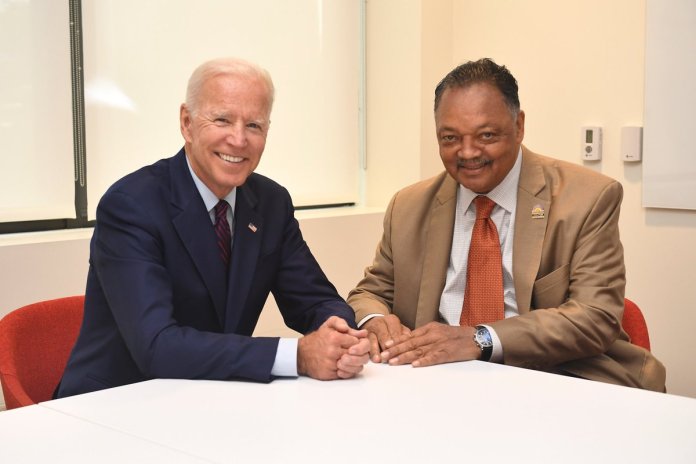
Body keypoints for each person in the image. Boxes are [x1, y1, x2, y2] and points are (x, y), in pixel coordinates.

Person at [56, 57, 369, 398]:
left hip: (214, 398)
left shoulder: (270, 203)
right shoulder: (131, 205)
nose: (238, 139)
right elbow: (157, 346)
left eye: (254, 125)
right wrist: (298, 356)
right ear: (187, 123)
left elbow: (316, 300)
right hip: (115, 403)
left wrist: (340, 334)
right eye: (222, 120)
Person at [347, 58, 666, 391]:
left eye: (486, 135)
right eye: (450, 138)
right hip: (439, 382)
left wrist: (480, 339)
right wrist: (376, 320)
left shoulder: (587, 198)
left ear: (519, 126)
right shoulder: (409, 206)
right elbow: (371, 292)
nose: (467, 152)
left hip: (555, 377)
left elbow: (595, 317)